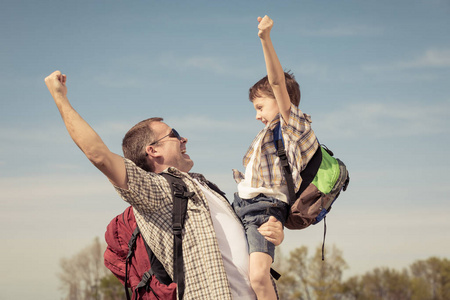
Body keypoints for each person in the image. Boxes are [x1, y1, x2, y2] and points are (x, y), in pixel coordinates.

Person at [44, 71, 284, 300]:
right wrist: (60, 97)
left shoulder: (205, 186)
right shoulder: (156, 191)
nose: (184, 139)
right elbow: (99, 156)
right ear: (153, 150)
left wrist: (271, 232)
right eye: (175, 134)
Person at [232, 16, 320, 300]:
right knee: (237, 274)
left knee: (258, 277)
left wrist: (265, 39)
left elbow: (277, 82)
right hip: (240, 206)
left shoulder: (293, 128)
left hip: (263, 211)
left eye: (260, 106)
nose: (257, 115)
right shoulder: (265, 135)